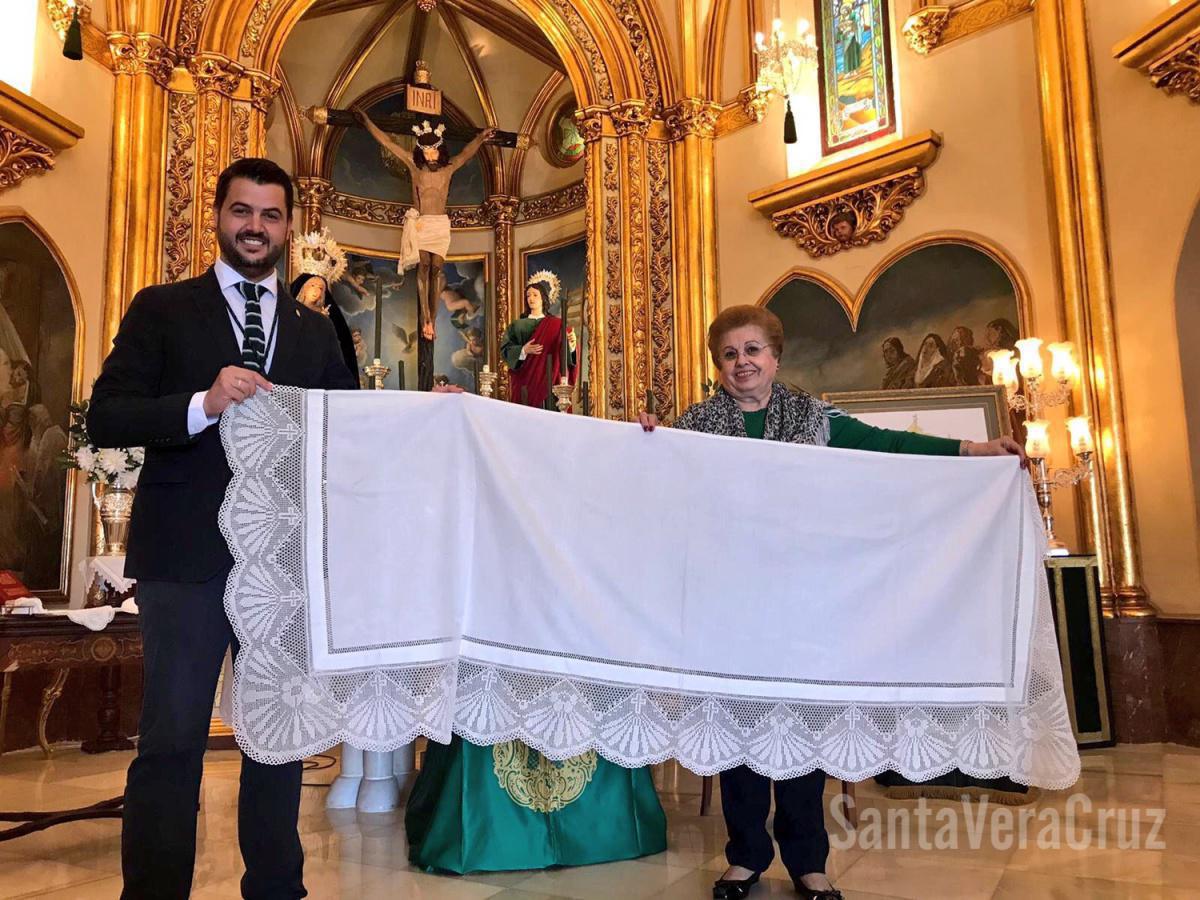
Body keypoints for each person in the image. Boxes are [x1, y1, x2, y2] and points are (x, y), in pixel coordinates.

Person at [86, 158, 452, 900]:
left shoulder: (316, 332)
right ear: (219, 217)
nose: (255, 227)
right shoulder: (162, 308)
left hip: (282, 564)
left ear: (288, 227)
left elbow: (346, 435)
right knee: (172, 742)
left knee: (276, 740)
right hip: (183, 558)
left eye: (270, 215)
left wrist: (428, 414)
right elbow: (108, 416)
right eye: (242, 212)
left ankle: (278, 890)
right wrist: (202, 402)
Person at [637, 305, 1025, 900]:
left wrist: (973, 451)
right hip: (730, 603)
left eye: (753, 350)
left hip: (803, 602)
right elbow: (655, 480)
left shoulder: (813, 418)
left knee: (801, 731)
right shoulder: (695, 425)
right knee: (739, 730)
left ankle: (807, 863)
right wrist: (644, 443)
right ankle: (744, 857)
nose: (742, 363)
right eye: (729, 354)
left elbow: (886, 445)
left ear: (775, 356)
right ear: (718, 365)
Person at [354, 108, 495, 345]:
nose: (429, 155)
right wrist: (368, 122)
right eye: (426, 151)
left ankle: (433, 320)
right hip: (421, 224)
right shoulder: (413, 165)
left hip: (440, 225)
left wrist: (480, 138)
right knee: (424, 268)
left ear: (440, 150)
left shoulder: (448, 169)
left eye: (433, 150)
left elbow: (466, 154)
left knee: (437, 271)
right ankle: (425, 320)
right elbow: (388, 142)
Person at [289, 228, 358, 386]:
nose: (317, 290)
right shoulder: (289, 313)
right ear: (303, 289)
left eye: (321, 288)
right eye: (312, 285)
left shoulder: (329, 319)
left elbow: (340, 355)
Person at [499, 272, 577, 409]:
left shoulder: (557, 324)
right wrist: (523, 350)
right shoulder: (517, 325)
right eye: (528, 295)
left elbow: (565, 355)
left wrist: (571, 344)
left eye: (535, 295)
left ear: (543, 298)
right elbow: (505, 350)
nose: (531, 298)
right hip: (524, 381)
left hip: (550, 383)